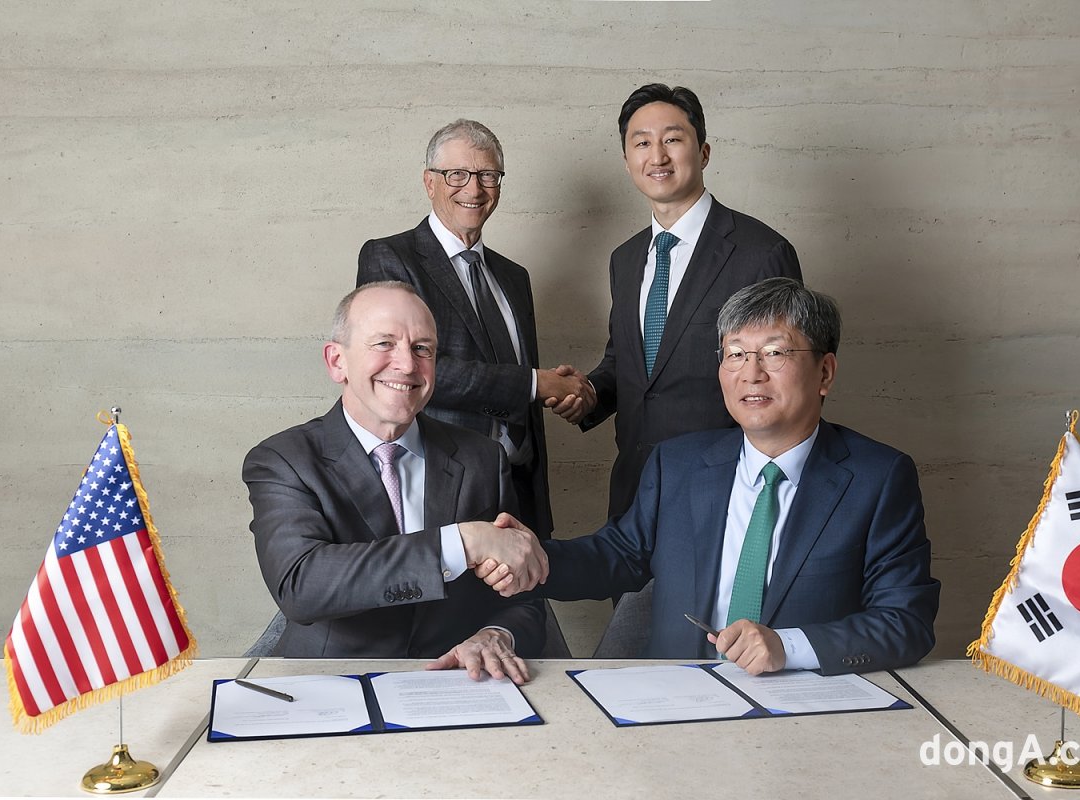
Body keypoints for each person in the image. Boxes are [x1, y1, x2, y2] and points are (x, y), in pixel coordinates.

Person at [484, 278, 939, 676]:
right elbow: (614, 557)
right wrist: (530, 556)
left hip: (803, 708)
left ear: (825, 372)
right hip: (679, 702)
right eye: (735, 354)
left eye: (775, 353)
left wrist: (788, 647)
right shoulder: (678, 464)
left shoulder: (878, 479)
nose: (752, 374)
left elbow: (906, 622)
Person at [243, 282, 549, 682]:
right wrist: (461, 542)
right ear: (337, 361)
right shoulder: (284, 459)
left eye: (423, 349)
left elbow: (525, 594)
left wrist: (497, 634)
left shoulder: (483, 458)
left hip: (458, 684)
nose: (407, 364)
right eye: (384, 343)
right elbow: (301, 585)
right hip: (333, 684)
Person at [549, 84, 803, 520]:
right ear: (627, 160)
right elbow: (631, 363)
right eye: (642, 143)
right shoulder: (625, 259)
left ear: (703, 152)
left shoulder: (761, 253)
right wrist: (589, 393)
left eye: (672, 139)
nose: (658, 156)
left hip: (727, 491)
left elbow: (788, 380)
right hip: (634, 492)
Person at [357, 119, 587, 539]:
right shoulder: (390, 258)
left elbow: (520, 390)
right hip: (440, 489)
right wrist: (537, 383)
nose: (474, 189)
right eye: (457, 174)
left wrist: (567, 393)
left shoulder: (513, 277)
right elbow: (407, 371)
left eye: (488, 175)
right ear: (429, 182)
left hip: (519, 491)